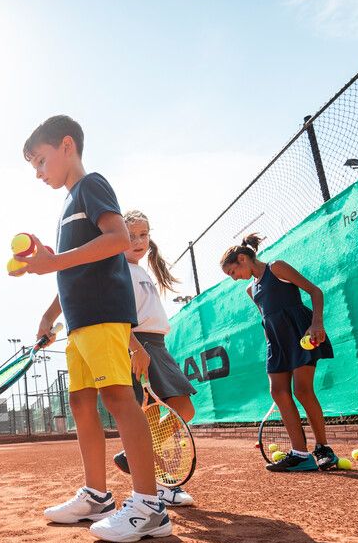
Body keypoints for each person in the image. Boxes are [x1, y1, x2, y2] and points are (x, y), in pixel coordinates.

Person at [16, 115, 172, 543]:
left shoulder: (91, 185)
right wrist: (51, 314)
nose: (38, 172)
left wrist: (54, 263)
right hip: (79, 321)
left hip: (104, 314)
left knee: (119, 399)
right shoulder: (67, 205)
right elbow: (73, 269)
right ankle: (97, 496)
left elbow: (118, 239)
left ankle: (148, 505)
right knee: (82, 403)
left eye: (41, 160)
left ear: (67, 146)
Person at [220, 233, 339, 471]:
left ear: (242, 259)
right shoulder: (250, 290)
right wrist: (271, 345)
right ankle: (300, 455)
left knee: (303, 391)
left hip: (300, 333)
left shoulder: (277, 268)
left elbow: (315, 292)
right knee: (278, 391)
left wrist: (317, 324)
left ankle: (324, 448)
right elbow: (266, 319)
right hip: (276, 343)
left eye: (232, 272)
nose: (234, 279)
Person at [110, 211, 198, 506]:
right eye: (130, 235)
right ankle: (160, 485)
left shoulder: (140, 270)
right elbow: (116, 318)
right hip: (140, 344)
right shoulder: (117, 269)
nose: (138, 241)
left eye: (143, 234)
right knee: (157, 412)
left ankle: (137, 454)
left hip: (157, 345)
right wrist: (136, 347)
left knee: (181, 410)